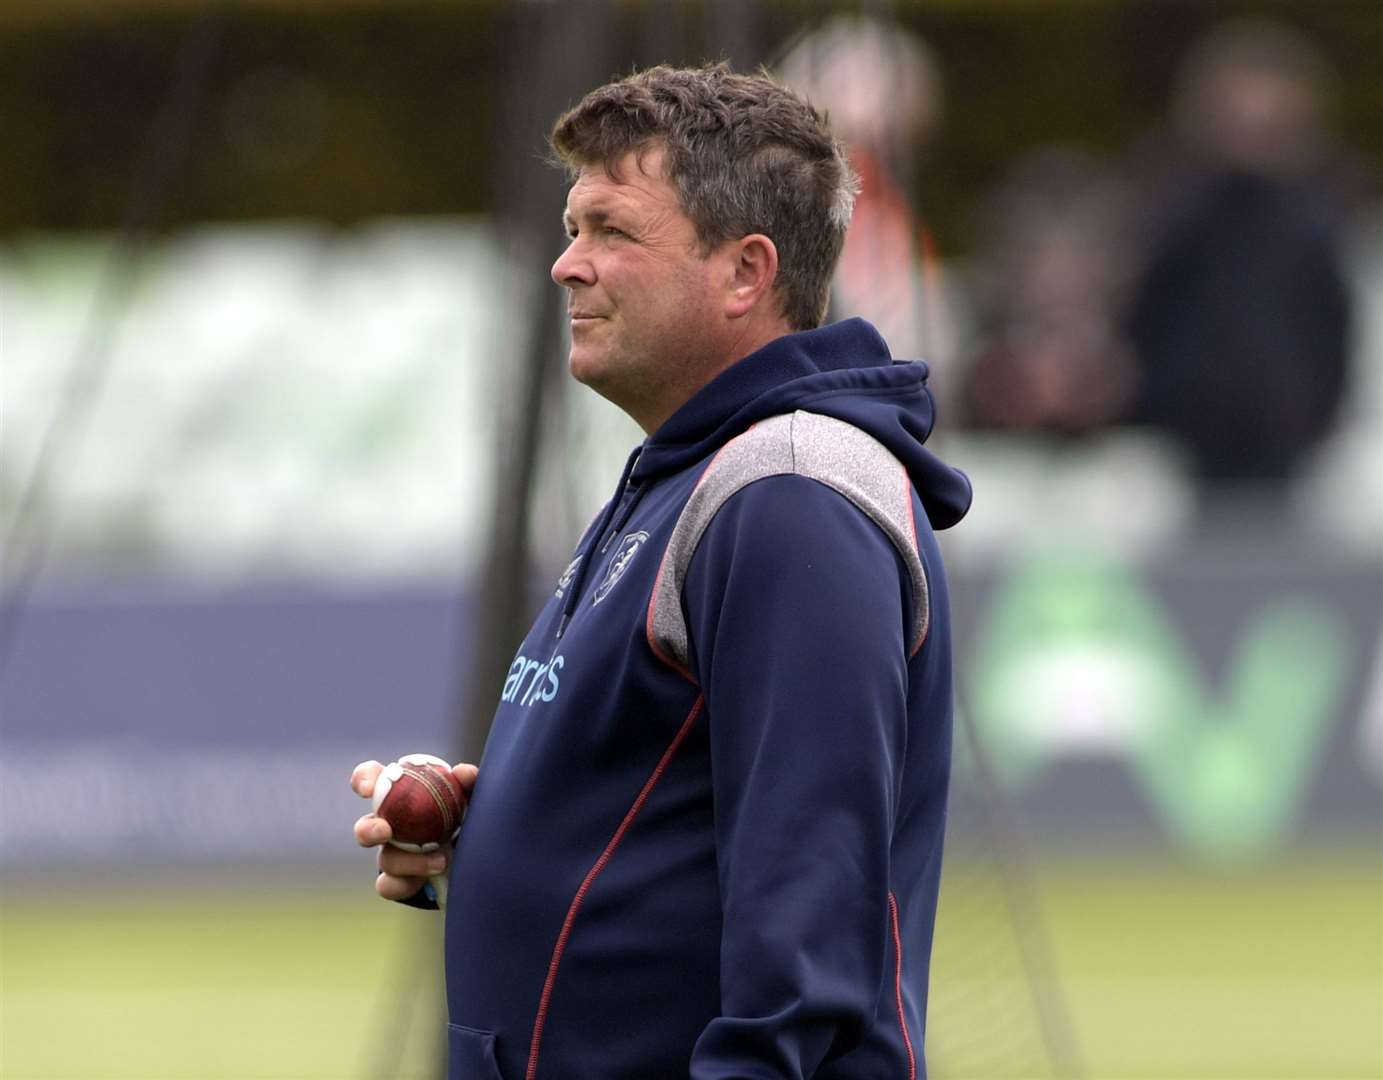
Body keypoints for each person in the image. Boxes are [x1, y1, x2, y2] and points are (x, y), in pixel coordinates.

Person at [351, 64, 971, 1080]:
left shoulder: (789, 495)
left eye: (612, 231)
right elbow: (678, 811)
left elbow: (806, 947)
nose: (566, 265)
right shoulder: (690, 473)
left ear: (745, 272)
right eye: (571, 226)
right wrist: (497, 832)